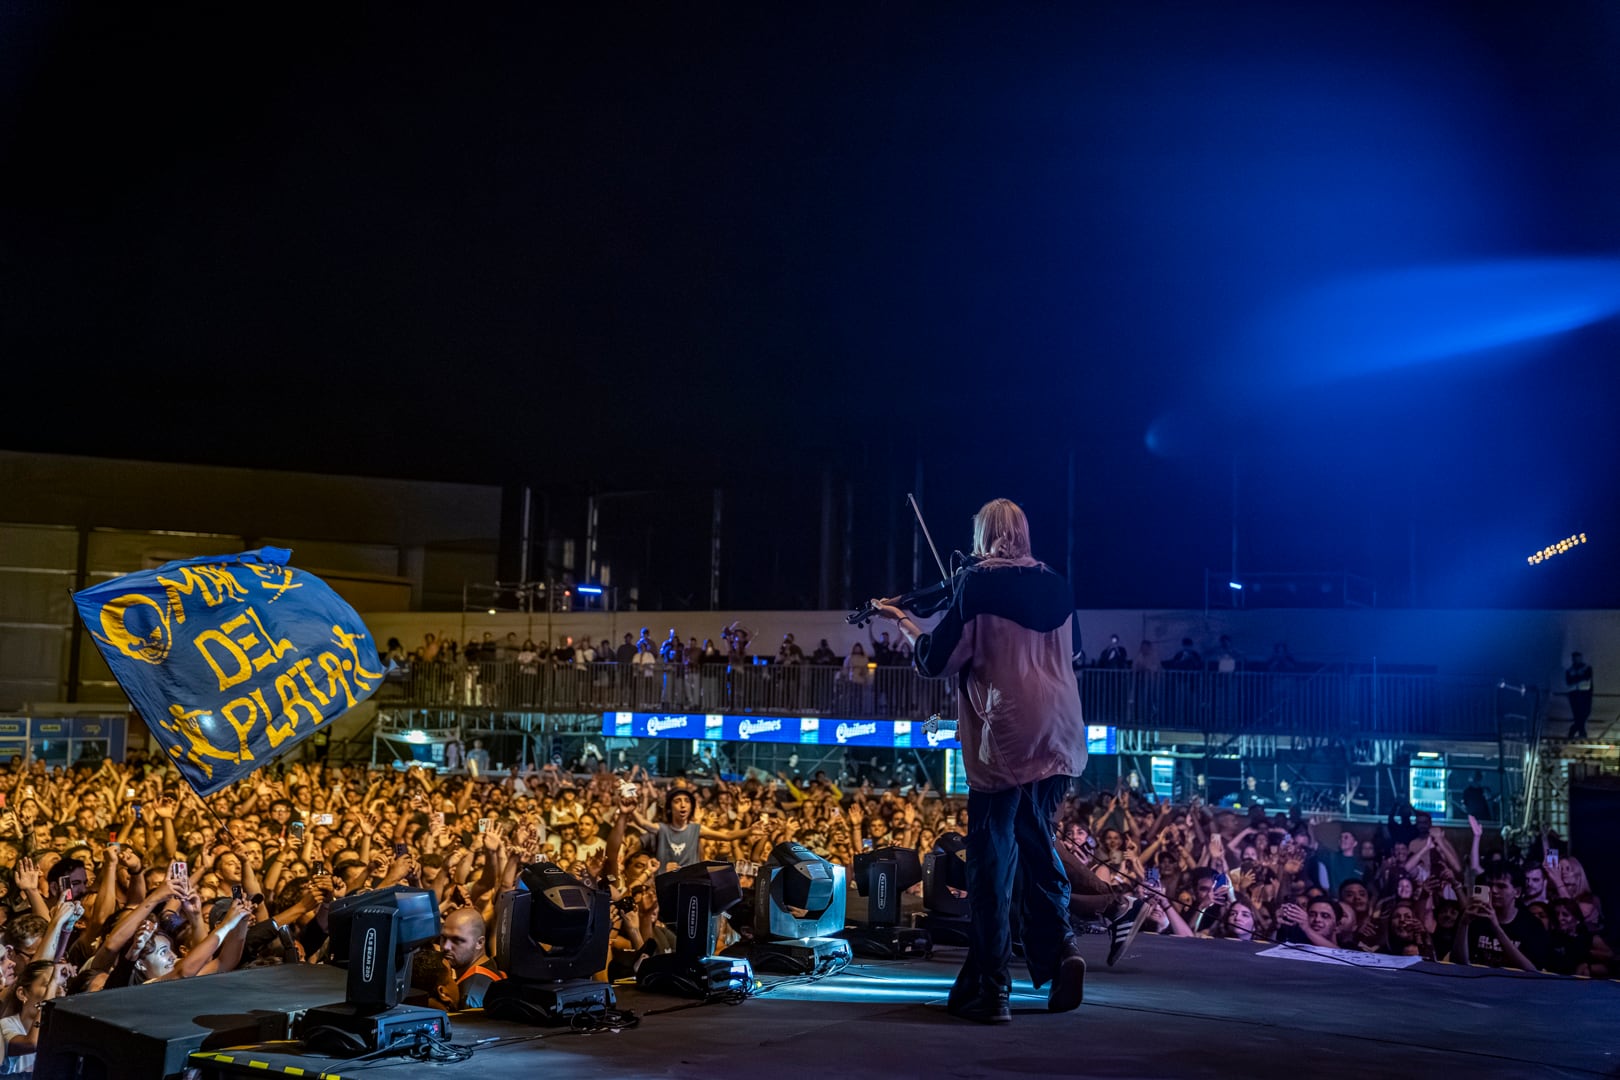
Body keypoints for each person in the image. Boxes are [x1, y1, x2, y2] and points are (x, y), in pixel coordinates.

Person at [870, 497, 1088, 1023]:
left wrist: (903, 621)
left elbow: (935, 661)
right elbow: (1074, 652)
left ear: (984, 534)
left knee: (991, 864)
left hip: (1006, 739)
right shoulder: (1058, 583)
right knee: (1038, 847)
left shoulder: (976, 584)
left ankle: (991, 990)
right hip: (1060, 733)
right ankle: (1061, 954)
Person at [439, 906, 503, 1008]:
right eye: (443, 938)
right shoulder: (488, 967)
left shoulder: (471, 996)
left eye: (456, 940)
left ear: (479, 943)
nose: (446, 946)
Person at [1565, 652, 1594, 738]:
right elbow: (1569, 682)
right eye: (1575, 658)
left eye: (1578, 658)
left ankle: (1574, 730)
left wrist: (1576, 677)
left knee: (1586, 713)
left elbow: (1587, 678)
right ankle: (1582, 733)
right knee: (1577, 714)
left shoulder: (1587, 668)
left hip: (1585, 693)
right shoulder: (1569, 670)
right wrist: (1579, 677)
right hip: (1574, 694)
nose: (1576, 660)